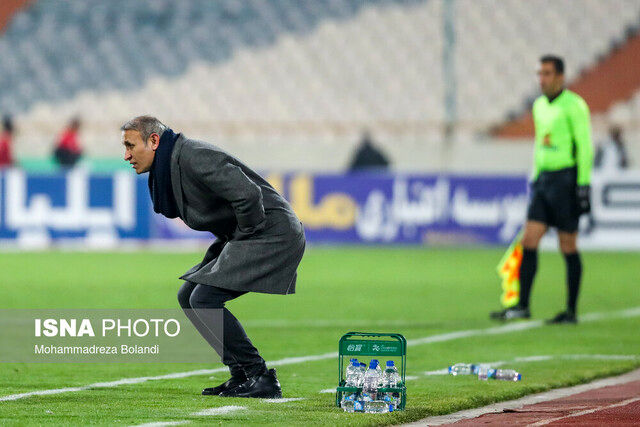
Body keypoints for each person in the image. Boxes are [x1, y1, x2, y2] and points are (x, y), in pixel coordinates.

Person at [121, 116, 305, 398]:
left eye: (130, 146)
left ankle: (259, 376)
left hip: (271, 232)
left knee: (204, 299)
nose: (126, 155)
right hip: (251, 231)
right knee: (189, 296)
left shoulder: (194, 156)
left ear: (154, 141)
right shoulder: (173, 163)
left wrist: (246, 233)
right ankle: (242, 374)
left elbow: (248, 194)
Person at [491, 55, 593, 324]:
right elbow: (540, 144)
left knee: (567, 244)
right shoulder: (538, 106)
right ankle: (522, 305)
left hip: (566, 180)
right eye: (540, 73)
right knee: (529, 240)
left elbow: (584, 145)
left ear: (560, 76)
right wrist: (536, 176)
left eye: (547, 73)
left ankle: (570, 310)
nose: (542, 79)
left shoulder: (574, 105)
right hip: (544, 181)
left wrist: (583, 184)